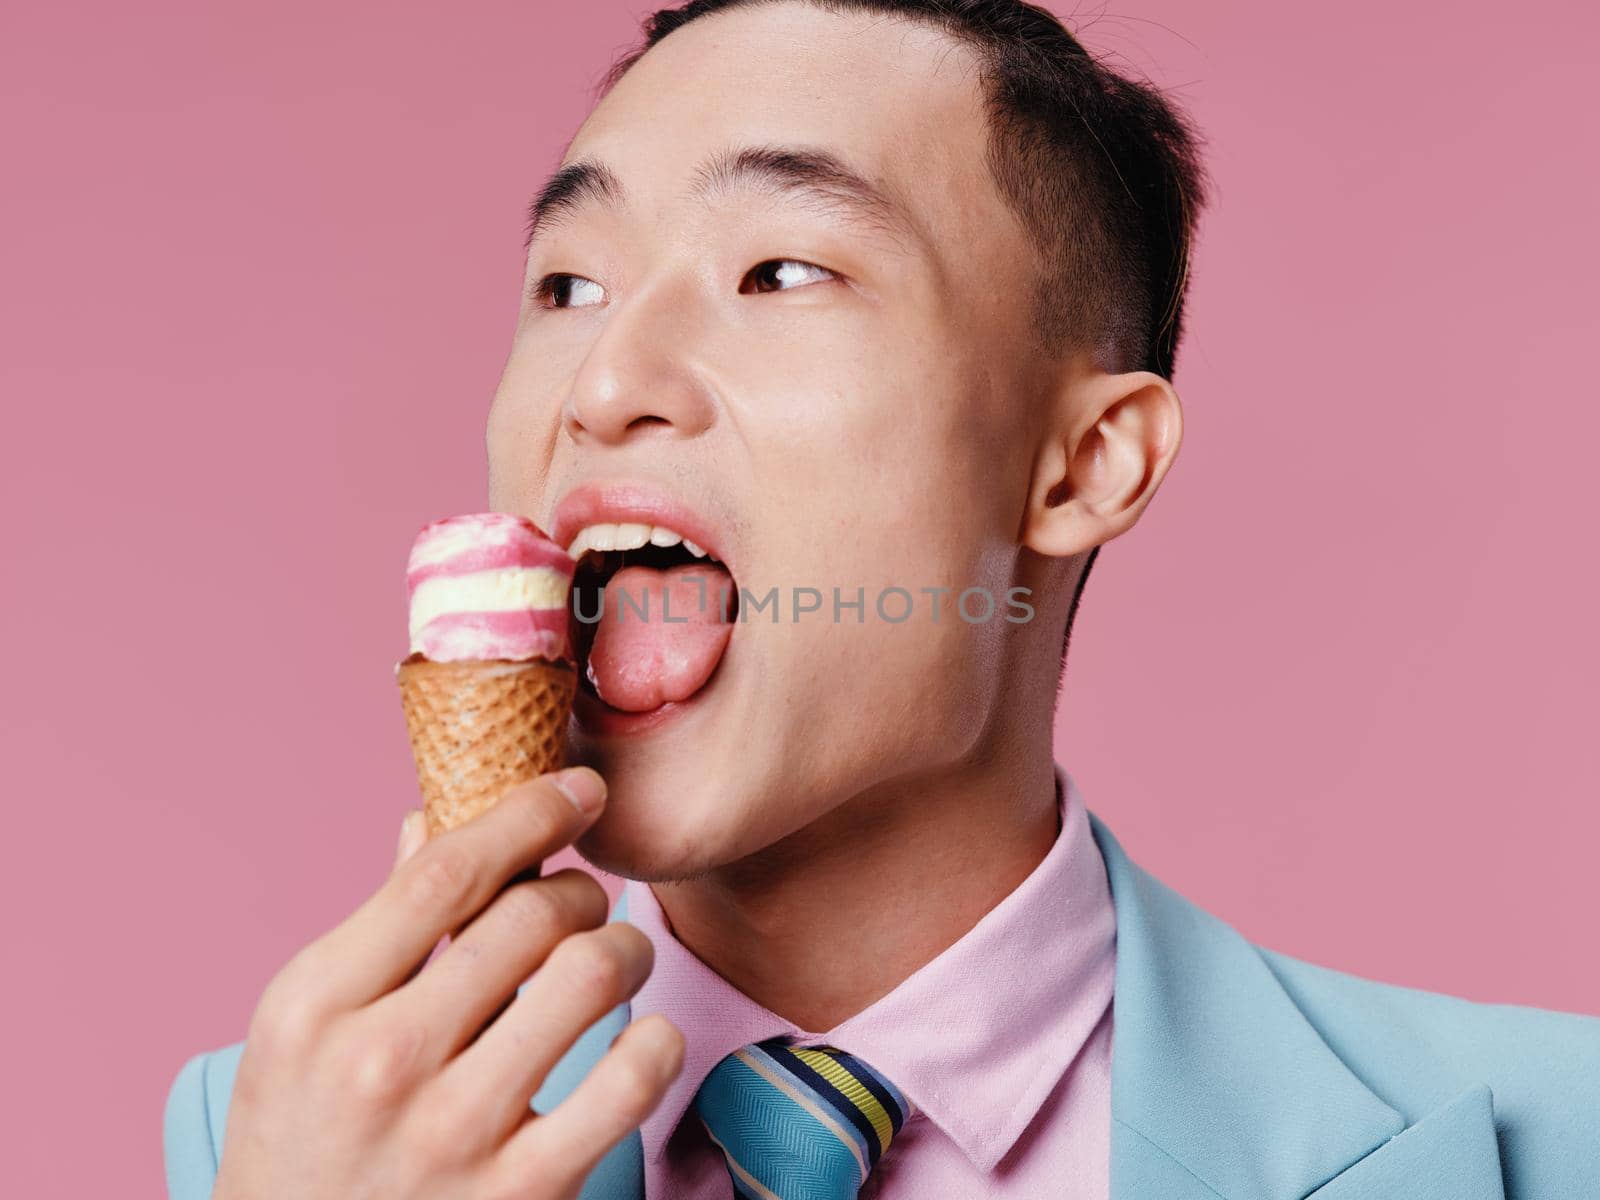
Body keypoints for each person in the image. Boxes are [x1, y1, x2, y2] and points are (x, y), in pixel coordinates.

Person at [163, 2, 1600, 1197]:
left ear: (1085, 464)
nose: (603, 389)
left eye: (778, 270)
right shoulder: (283, 1139)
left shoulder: (1553, 1135)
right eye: (567, 286)